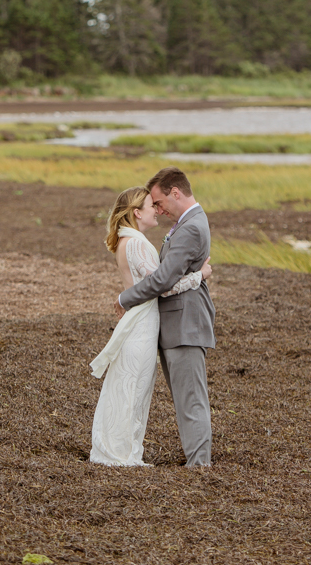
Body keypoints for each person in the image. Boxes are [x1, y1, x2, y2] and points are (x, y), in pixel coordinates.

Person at [88, 186, 211, 466]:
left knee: (129, 387)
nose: (156, 210)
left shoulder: (125, 240)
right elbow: (163, 287)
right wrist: (199, 275)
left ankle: (120, 451)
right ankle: (121, 454)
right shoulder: (138, 243)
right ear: (136, 213)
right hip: (142, 325)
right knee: (134, 389)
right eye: (150, 205)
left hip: (141, 323)